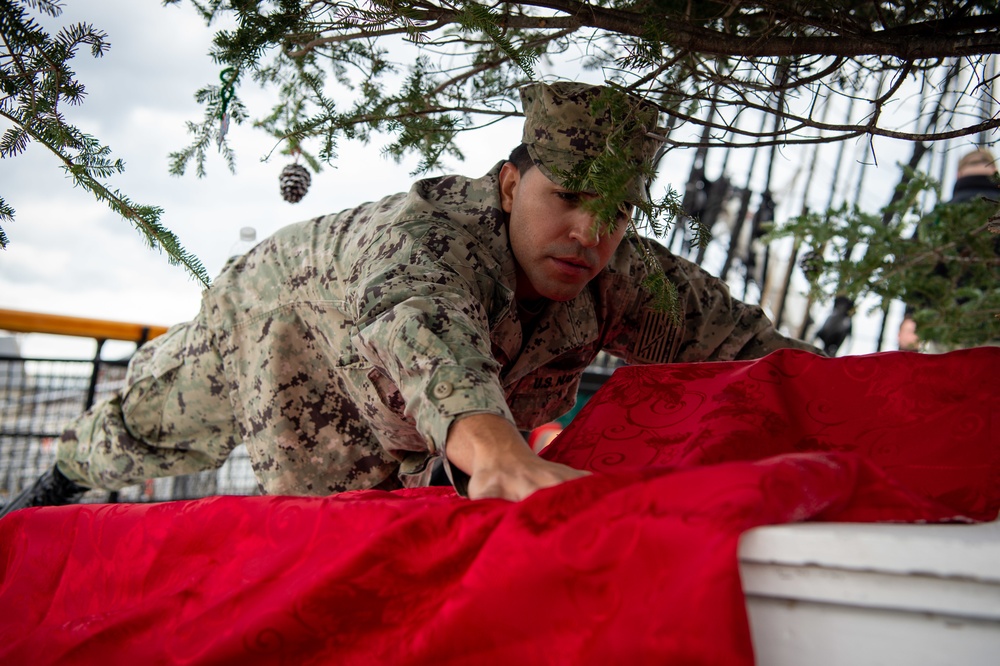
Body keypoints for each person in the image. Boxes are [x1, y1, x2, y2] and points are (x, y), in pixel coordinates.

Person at [2, 81, 817, 516]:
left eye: (615, 211)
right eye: (565, 197)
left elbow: (748, 348)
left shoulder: (618, 267)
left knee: (397, 515)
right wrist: (503, 462)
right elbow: (427, 338)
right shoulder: (424, 242)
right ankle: (50, 489)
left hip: (416, 426)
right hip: (282, 322)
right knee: (153, 429)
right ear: (509, 185)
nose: (587, 232)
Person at [898, 148, 1000, 351]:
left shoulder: (934, 218)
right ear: (995, 172)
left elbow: (917, 271)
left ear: (959, 174)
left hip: (946, 329)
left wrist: (911, 317)